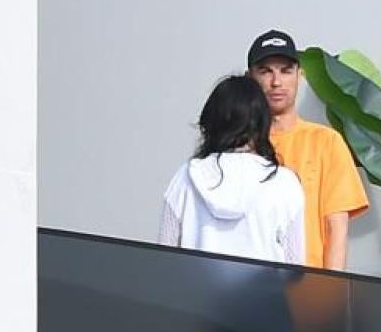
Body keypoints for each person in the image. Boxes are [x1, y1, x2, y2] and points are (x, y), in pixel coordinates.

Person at [247, 29, 369, 270]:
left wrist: (331, 287)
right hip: (249, 281)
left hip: (309, 282)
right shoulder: (240, 146)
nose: (276, 82)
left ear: (299, 75)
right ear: (249, 78)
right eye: (265, 71)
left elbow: (336, 227)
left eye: (286, 71)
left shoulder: (326, 142)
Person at [158, 74, 306, 265]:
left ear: (211, 122)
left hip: (196, 284)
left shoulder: (186, 177)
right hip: (264, 285)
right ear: (262, 123)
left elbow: (164, 257)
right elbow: (294, 265)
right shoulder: (284, 183)